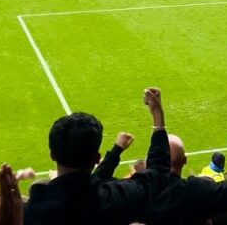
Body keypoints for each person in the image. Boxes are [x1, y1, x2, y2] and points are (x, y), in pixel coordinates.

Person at [24, 88, 175, 225]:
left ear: (52, 155)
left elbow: (87, 184)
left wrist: (116, 151)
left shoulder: (33, 211)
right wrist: (158, 120)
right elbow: (158, 174)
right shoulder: (114, 198)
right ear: (97, 158)